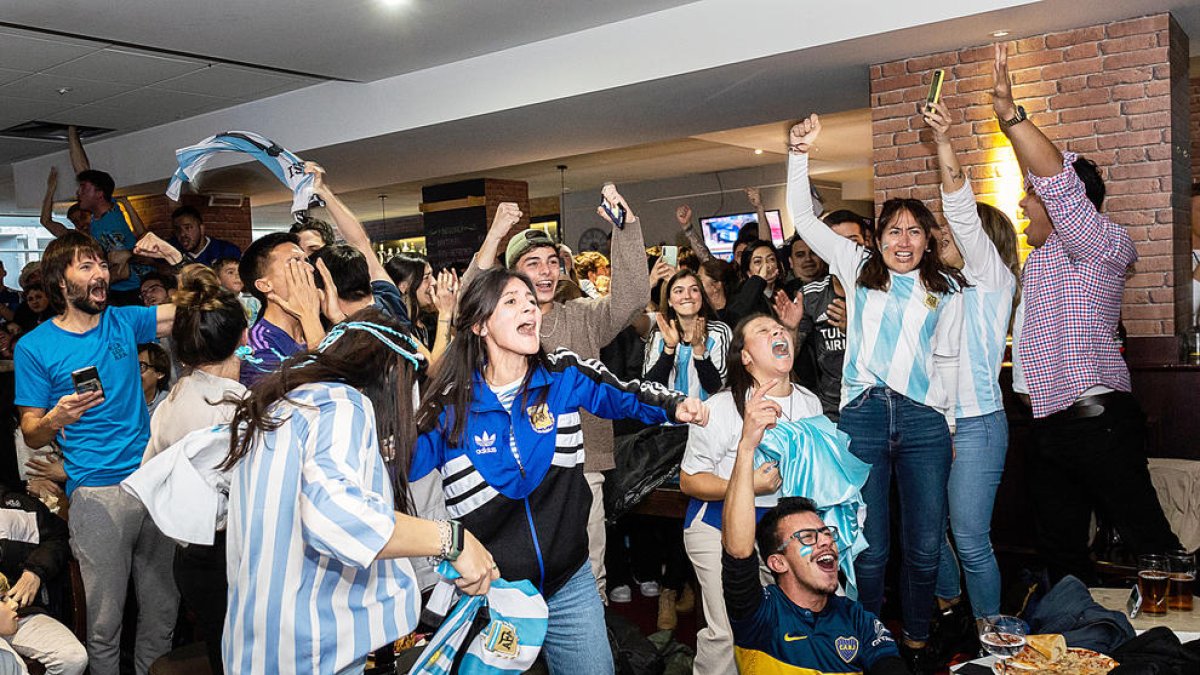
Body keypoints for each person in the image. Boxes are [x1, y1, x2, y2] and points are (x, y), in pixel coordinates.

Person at [412, 268, 708, 674]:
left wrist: (675, 405)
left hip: (570, 583)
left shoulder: (563, 374)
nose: (530, 308)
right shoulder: (450, 407)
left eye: (530, 301)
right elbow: (397, 471)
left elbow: (624, 393)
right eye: (512, 301)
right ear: (480, 325)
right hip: (493, 594)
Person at [989, 43, 1181, 583]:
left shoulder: (1097, 244)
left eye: (1030, 196)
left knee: (1152, 545)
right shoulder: (1044, 258)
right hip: (1048, 429)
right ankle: (1076, 631)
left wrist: (1011, 116)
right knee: (1061, 557)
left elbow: (1058, 187)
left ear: (1062, 205)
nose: (1022, 203)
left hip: (1098, 425)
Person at [222, 307, 497, 674]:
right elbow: (333, 514)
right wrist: (452, 539)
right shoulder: (342, 403)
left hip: (257, 646)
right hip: (309, 652)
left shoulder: (283, 407)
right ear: (390, 375)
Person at [788, 114, 965, 672]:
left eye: (914, 232)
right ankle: (863, 640)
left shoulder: (947, 288)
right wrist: (799, 155)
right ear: (877, 237)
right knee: (868, 545)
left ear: (928, 240)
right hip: (863, 416)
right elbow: (802, 218)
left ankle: (916, 641)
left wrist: (949, 426)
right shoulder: (855, 265)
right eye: (893, 231)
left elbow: (948, 363)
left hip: (923, 422)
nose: (902, 241)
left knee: (925, 547)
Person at [462, 185, 652, 599]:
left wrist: (626, 228)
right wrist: (494, 237)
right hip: (509, 470)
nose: (547, 271)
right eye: (532, 263)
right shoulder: (493, 326)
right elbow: (466, 304)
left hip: (580, 468)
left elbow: (632, 299)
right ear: (511, 276)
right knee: (514, 582)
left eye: (553, 262)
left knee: (588, 574)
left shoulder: (583, 317)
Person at [14, 230, 184, 675]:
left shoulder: (123, 321)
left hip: (152, 482)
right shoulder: (34, 347)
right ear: (61, 281)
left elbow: (198, 309)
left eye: (103, 265)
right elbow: (31, 433)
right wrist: (56, 418)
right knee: (105, 623)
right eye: (86, 266)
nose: (101, 274)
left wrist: (175, 260)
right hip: (96, 495)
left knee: (162, 612)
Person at [921, 101, 1020, 628]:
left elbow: (960, 208)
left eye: (949, 230)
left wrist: (943, 142)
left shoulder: (993, 280)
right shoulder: (942, 292)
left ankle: (991, 633)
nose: (940, 235)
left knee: (970, 538)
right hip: (935, 425)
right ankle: (950, 608)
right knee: (929, 531)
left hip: (979, 424)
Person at [681, 313, 823, 675]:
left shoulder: (810, 403)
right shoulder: (720, 406)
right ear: (745, 356)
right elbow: (690, 481)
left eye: (779, 329)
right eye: (763, 331)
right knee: (729, 632)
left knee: (791, 625)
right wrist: (749, 485)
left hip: (781, 530)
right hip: (717, 524)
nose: (776, 332)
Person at [722, 422, 906, 675]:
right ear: (778, 562)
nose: (826, 541)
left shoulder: (857, 619)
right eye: (807, 537)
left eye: (827, 533)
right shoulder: (762, 615)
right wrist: (746, 449)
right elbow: (738, 552)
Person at [0, 484, 89, 675]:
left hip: (19, 611)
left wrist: (35, 571)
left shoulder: (22, 505)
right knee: (7, 663)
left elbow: (60, 538)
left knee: (72, 658)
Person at [793, 210, 873, 421]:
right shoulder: (811, 295)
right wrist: (789, 327)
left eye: (853, 242)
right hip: (832, 407)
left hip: (878, 402)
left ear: (867, 243)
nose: (845, 251)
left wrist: (854, 326)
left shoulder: (882, 291)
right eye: (835, 243)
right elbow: (791, 354)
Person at [68, 126, 151, 306]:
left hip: (135, 290)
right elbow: (82, 170)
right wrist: (72, 133)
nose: (78, 192)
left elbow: (126, 267)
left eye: (83, 189)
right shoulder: (99, 215)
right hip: (118, 290)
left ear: (99, 194)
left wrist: (128, 254)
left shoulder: (113, 219)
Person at [237, 232, 325, 386]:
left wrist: (337, 318)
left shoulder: (318, 326)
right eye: (295, 262)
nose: (310, 268)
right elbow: (328, 391)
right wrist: (310, 317)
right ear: (264, 285)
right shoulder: (259, 350)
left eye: (306, 260)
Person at [644, 269, 732, 400]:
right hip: (669, 412)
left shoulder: (719, 332)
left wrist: (699, 349)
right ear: (669, 301)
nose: (687, 296)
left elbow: (716, 388)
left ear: (701, 296)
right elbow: (649, 388)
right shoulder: (659, 335)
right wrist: (669, 349)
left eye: (694, 290)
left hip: (708, 411)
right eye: (679, 291)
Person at [169, 206, 242, 266]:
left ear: (201, 228)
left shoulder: (226, 251)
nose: (182, 234)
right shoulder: (170, 250)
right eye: (177, 229)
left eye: (188, 228)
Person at [40, 166, 91, 237]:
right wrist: (50, 190)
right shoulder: (75, 238)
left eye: (83, 217)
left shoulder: (104, 219)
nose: (81, 224)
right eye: (75, 222)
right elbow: (45, 221)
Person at [214, 257, 260, 322]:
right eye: (230, 272)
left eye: (240, 272)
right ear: (217, 279)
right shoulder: (215, 304)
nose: (237, 275)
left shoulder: (253, 301)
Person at [136, 343, 170, 416]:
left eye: (141, 367)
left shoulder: (170, 404)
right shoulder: (119, 404)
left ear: (159, 374)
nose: (135, 373)